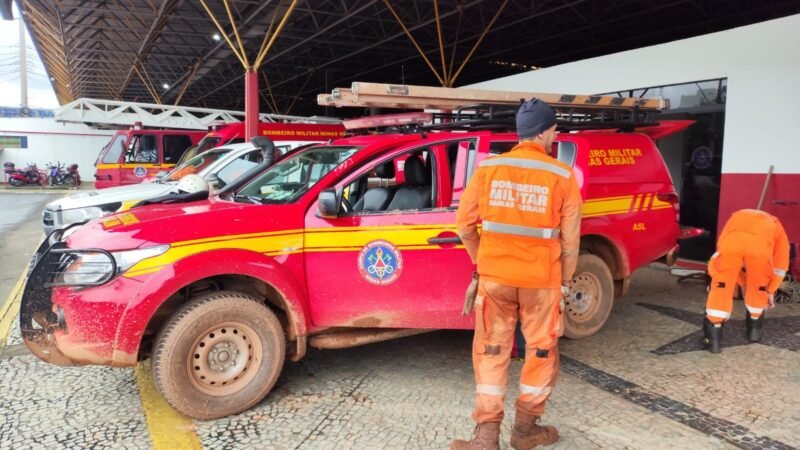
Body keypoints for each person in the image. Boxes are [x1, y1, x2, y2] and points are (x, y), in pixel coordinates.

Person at [452, 99, 582, 450]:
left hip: (495, 279)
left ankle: (486, 438)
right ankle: (525, 432)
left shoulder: (488, 169)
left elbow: (463, 226)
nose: (555, 136)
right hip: (542, 281)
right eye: (554, 130)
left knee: (492, 351)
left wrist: (484, 262)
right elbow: (570, 243)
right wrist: (566, 281)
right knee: (540, 351)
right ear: (542, 132)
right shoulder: (562, 176)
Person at [704, 209, 790, 353]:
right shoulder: (776, 226)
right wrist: (770, 290)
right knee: (759, 286)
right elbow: (781, 265)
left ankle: (714, 339)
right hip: (760, 248)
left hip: (731, 243)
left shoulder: (736, 216)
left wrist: (742, 282)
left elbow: (725, 252)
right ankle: (754, 331)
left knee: (722, 285)